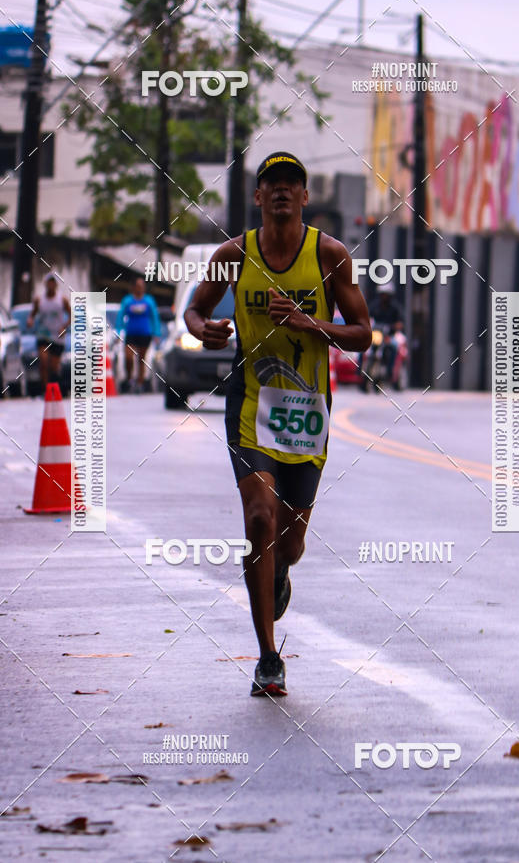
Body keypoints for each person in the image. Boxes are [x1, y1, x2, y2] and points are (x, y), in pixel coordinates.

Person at [184, 151, 371, 697]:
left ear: (306, 197)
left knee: (288, 543)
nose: (284, 190)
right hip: (251, 405)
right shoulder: (233, 255)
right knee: (260, 521)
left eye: (293, 183)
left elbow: (363, 331)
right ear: (259, 197)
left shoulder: (330, 255)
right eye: (273, 184)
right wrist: (203, 328)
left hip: (307, 410)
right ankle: (268, 657)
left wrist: (315, 323)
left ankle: (281, 573)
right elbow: (195, 309)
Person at [115, 275, 162, 393]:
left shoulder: (149, 301)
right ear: (134, 287)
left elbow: (154, 317)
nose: (140, 288)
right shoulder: (127, 300)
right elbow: (120, 316)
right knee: (128, 357)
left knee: (141, 359)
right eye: (138, 286)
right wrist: (118, 331)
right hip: (131, 334)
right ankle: (129, 378)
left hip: (145, 334)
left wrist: (157, 333)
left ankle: (140, 382)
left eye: (142, 286)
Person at [27, 273, 71, 390]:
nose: (51, 285)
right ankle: (45, 389)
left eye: (53, 282)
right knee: (44, 362)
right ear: (45, 284)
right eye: (49, 282)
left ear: (56, 285)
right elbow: (32, 314)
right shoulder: (39, 299)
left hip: (57, 336)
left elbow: (72, 315)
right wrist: (30, 320)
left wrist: (64, 327)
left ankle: (56, 388)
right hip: (43, 335)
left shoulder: (62, 299)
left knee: (54, 367)